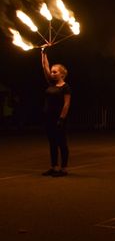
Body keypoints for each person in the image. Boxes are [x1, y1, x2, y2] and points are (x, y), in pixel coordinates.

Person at [41, 49, 71, 177]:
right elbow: (44, 66)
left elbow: (66, 104)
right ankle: (54, 167)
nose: (52, 73)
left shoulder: (65, 87)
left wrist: (62, 119)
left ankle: (63, 169)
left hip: (59, 119)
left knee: (61, 143)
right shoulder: (50, 83)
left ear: (62, 74)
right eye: (52, 72)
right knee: (52, 143)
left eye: (55, 72)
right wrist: (43, 53)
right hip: (48, 118)